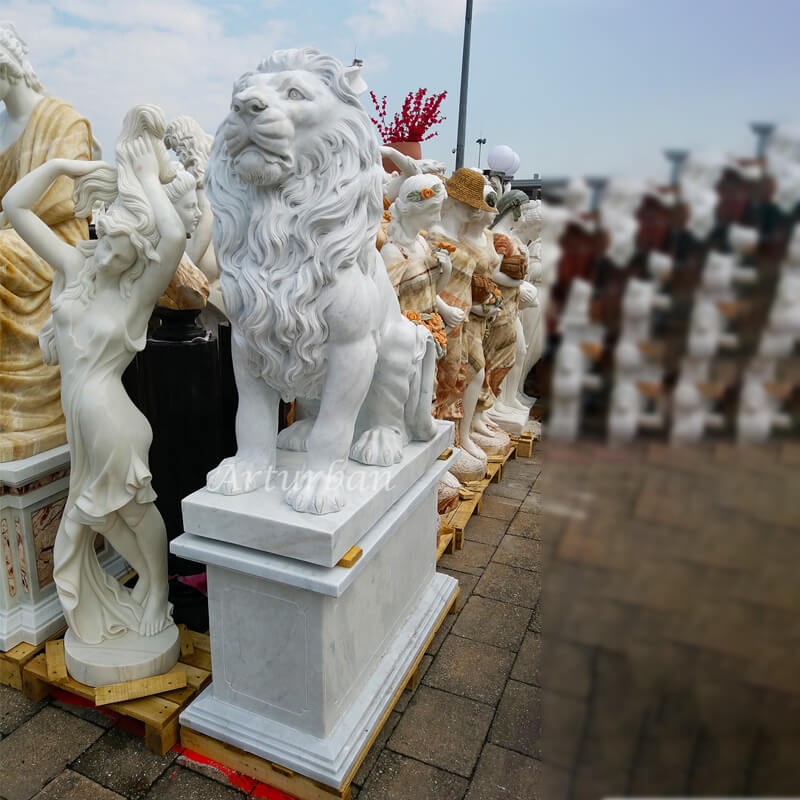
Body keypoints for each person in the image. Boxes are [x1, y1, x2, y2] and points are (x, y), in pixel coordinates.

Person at [2, 105, 186, 642]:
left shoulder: (131, 300)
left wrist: (147, 175)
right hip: (82, 424)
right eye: (107, 237)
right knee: (106, 518)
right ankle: (152, 587)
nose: (107, 250)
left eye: (122, 247)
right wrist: (63, 165)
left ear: (136, 258)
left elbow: (171, 236)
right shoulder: (76, 268)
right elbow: (15, 206)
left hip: (110, 420)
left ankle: (157, 590)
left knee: (127, 512)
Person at [0, 21, 95, 453]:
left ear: (9, 66)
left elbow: (62, 203)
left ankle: (28, 405)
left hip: (51, 237)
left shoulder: (63, 120)